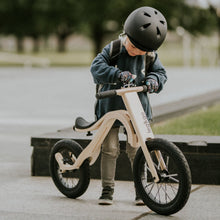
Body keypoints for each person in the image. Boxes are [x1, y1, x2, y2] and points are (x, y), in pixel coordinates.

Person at [90, 6, 167, 205]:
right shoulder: (114, 48)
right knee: (110, 149)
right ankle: (107, 190)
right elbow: (96, 68)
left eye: (141, 51)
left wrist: (153, 81)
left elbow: (160, 73)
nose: (135, 53)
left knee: (137, 150)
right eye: (133, 47)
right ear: (127, 35)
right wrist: (116, 74)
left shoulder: (149, 54)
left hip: (136, 108)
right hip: (111, 108)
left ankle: (140, 190)